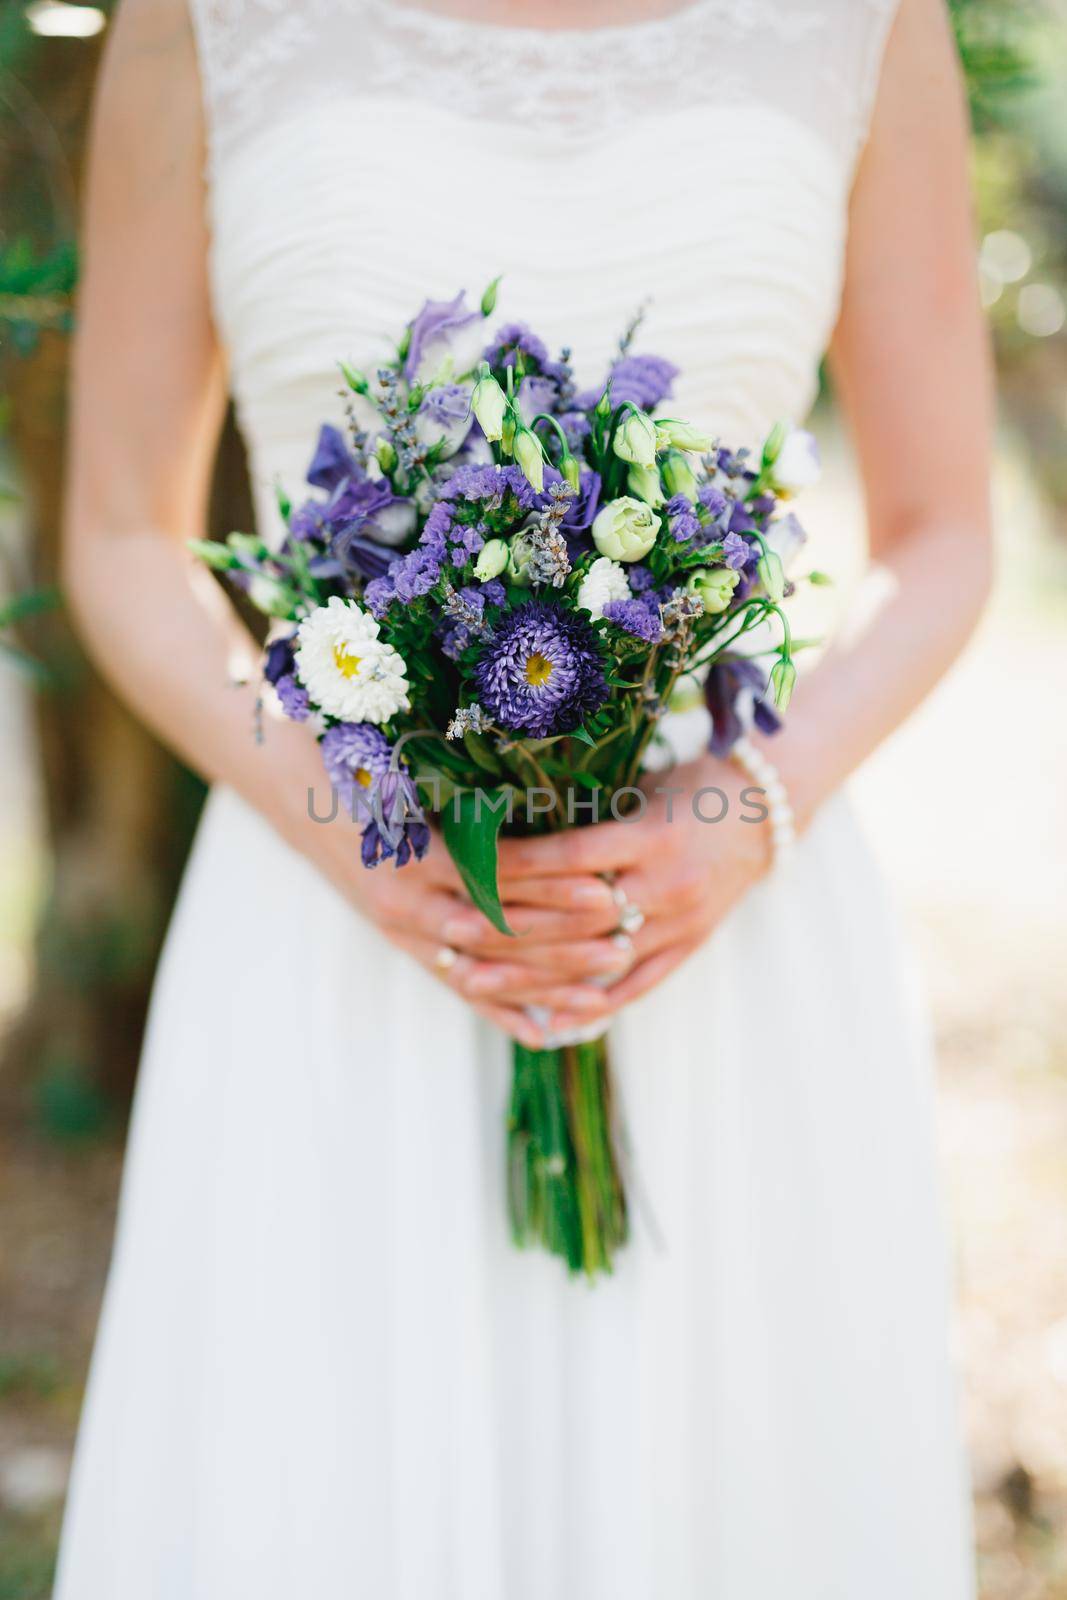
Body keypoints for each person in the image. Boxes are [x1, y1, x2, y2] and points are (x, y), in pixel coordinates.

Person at [55, 1, 992, 1594]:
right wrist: (360, 833)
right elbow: (122, 534)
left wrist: (736, 817)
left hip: (722, 935)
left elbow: (943, 531)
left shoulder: (868, 19)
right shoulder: (196, 21)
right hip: (337, 914)